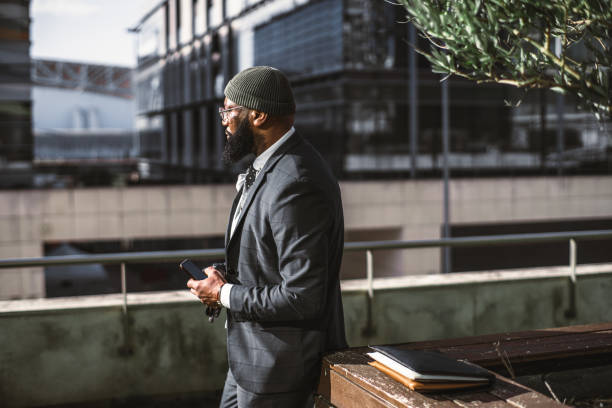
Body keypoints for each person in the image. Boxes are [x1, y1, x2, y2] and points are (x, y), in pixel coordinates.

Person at [187, 66, 347, 407]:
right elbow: (266, 258)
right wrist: (224, 275)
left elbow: (303, 296)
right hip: (250, 360)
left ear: (258, 115)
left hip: (280, 369)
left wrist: (223, 293)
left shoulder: (296, 181)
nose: (224, 121)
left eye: (229, 111)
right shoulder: (270, 169)